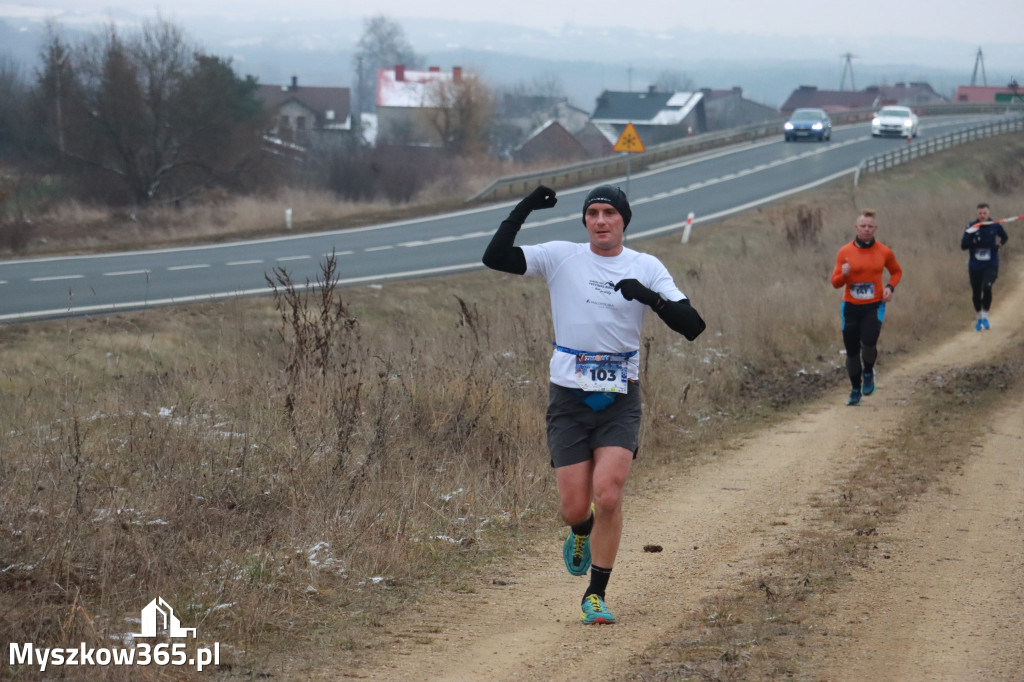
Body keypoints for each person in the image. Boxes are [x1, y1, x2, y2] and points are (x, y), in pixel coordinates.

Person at [482, 184, 705, 624]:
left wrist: (650, 297)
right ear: (585, 221)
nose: (601, 221)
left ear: (624, 220)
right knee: (574, 508)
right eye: (593, 213)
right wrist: (524, 207)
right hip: (568, 399)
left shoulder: (647, 266)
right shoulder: (561, 256)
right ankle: (579, 531)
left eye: (609, 213)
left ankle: (595, 595)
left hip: (620, 398)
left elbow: (693, 325)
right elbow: (495, 257)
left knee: (608, 495)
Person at [830, 210, 903, 406]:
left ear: (875, 228)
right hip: (851, 308)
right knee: (852, 351)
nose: (866, 229)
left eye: (870, 226)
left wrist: (890, 288)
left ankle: (869, 370)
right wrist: (844, 275)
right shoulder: (844, 252)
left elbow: (896, 272)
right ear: (856, 228)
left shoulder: (884, 251)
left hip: (874, 306)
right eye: (863, 226)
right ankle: (855, 390)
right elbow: (835, 283)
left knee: (868, 343)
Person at [961, 203, 1009, 330]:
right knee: (976, 293)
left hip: (991, 264)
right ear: (977, 214)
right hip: (975, 265)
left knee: (987, 287)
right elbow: (963, 245)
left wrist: (999, 245)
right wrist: (973, 241)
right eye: (980, 213)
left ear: (989, 214)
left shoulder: (995, 225)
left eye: (984, 213)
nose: (982, 215)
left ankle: (986, 317)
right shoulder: (972, 227)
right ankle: (979, 318)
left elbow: (1005, 237)